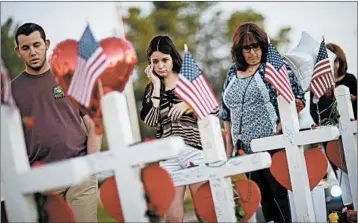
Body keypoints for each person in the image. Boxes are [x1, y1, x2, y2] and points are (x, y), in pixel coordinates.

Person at [10, 23, 101, 222]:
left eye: (37, 45)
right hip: (42, 180)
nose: (32, 52)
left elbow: (92, 121)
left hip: (81, 170)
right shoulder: (10, 92)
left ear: (46, 44)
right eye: (25, 48)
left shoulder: (69, 77)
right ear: (18, 52)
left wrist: (92, 163)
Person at [221, 22, 306, 223]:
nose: (252, 52)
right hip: (245, 148)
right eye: (247, 48)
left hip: (272, 145)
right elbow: (225, 112)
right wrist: (229, 146)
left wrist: (280, 126)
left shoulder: (273, 67)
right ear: (239, 50)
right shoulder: (232, 72)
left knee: (280, 196)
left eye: (256, 46)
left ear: (263, 46)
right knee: (263, 199)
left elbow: (298, 98)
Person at [140, 35, 217, 223]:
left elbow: (213, 108)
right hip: (168, 158)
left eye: (164, 60)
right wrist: (157, 86)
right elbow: (150, 120)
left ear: (172, 57)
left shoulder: (187, 79)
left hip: (194, 151)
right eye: (155, 61)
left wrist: (188, 105)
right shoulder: (151, 89)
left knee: (203, 212)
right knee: (173, 217)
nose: (160, 66)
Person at [310, 42, 357, 126]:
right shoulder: (317, 84)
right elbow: (314, 110)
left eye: (335, 61)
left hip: (352, 125)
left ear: (341, 61)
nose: (331, 64)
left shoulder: (350, 79)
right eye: (328, 61)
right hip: (328, 128)